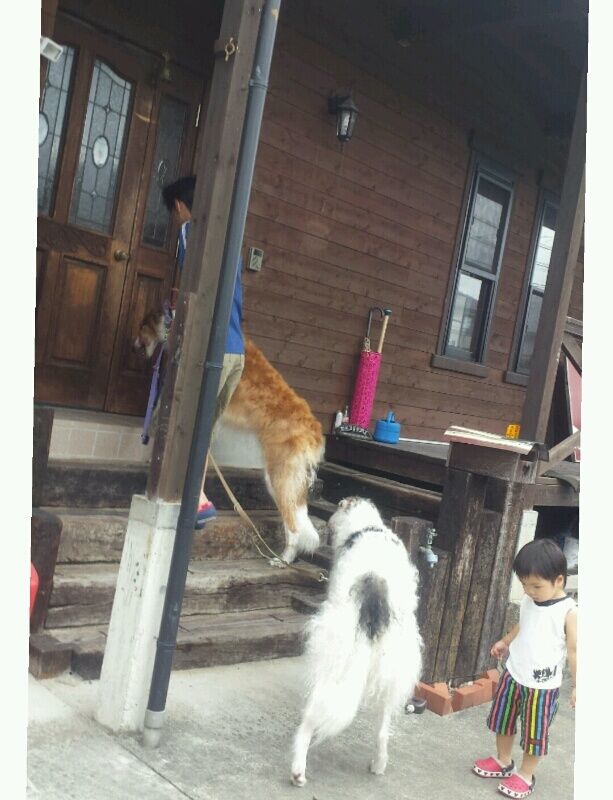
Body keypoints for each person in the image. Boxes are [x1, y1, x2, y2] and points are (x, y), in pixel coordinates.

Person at [162, 175, 245, 528]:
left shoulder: (190, 232)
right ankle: (196, 496)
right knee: (204, 428)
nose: (175, 220)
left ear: (180, 205)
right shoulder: (229, 239)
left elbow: (194, 292)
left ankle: (195, 499)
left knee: (185, 422)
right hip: (236, 351)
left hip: (212, 350)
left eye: (174, 213)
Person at [472, 538, 577, 798]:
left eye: (536, 586)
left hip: (542, 688)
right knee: (503, 721)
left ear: (559, 581)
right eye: (524, 584)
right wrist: (505, 641)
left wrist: (578, 685)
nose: (529, 591)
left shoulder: (569, 612)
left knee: (534, 734)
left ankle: (525, 774)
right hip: (513, 674)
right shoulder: (530, 601)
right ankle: (503, 760)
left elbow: (576, 651)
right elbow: (523, 624)